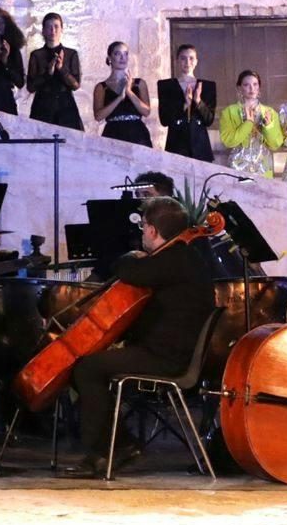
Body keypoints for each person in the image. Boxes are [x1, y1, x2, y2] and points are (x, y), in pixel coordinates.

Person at [55, 196, 217, 477]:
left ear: (153, 230)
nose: (142, 233)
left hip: (166, 359)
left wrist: (130, 256)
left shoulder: (174, 258)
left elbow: (127, 270)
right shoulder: (185, 256)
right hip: (167, 352)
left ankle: (114, 449)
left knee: (87, 368)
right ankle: (114, 447)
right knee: (92, 367)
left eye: (143, 227)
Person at [218, 71, 284, 177]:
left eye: (255, 84)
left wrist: (268, 126)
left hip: (263, 168)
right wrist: (248, 123)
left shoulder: (269, 112)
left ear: (259, 87)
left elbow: (275, 144)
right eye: (246, 85)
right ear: (239, 88)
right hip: (237, 167)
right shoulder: (229, 112)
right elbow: (229, 142)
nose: (251, 88)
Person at [157, 45, 216, 162]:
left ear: (196, 61)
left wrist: (198, 101)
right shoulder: (166, 85)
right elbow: (164, 120)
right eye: (183, 58)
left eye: (191, 58)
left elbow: (209, 120)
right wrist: (184, 105)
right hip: (176, 142)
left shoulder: (208, 86)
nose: (187, 62)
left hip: (200, 144)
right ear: (177, 60)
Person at [26, 13, 84, 130]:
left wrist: (61, 69)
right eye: (49, 27)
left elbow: (76, 85)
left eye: (56, 26)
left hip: (66, 106)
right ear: (43, 31)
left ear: (61, 29)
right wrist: (48, 73)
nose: (53, 30)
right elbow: (30, 87)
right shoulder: (36, 55)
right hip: (42, 106)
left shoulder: (71, 53)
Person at [90, 41, 154, 147]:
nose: (122, 57)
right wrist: (119, 98)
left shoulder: (139, 83)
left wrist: (129, 91)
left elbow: (146, 112)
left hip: (137, 133)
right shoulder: (101, 87)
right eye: (117, 54)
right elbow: (98, 116)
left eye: (125, 54)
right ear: (109, 58)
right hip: (113, 133)